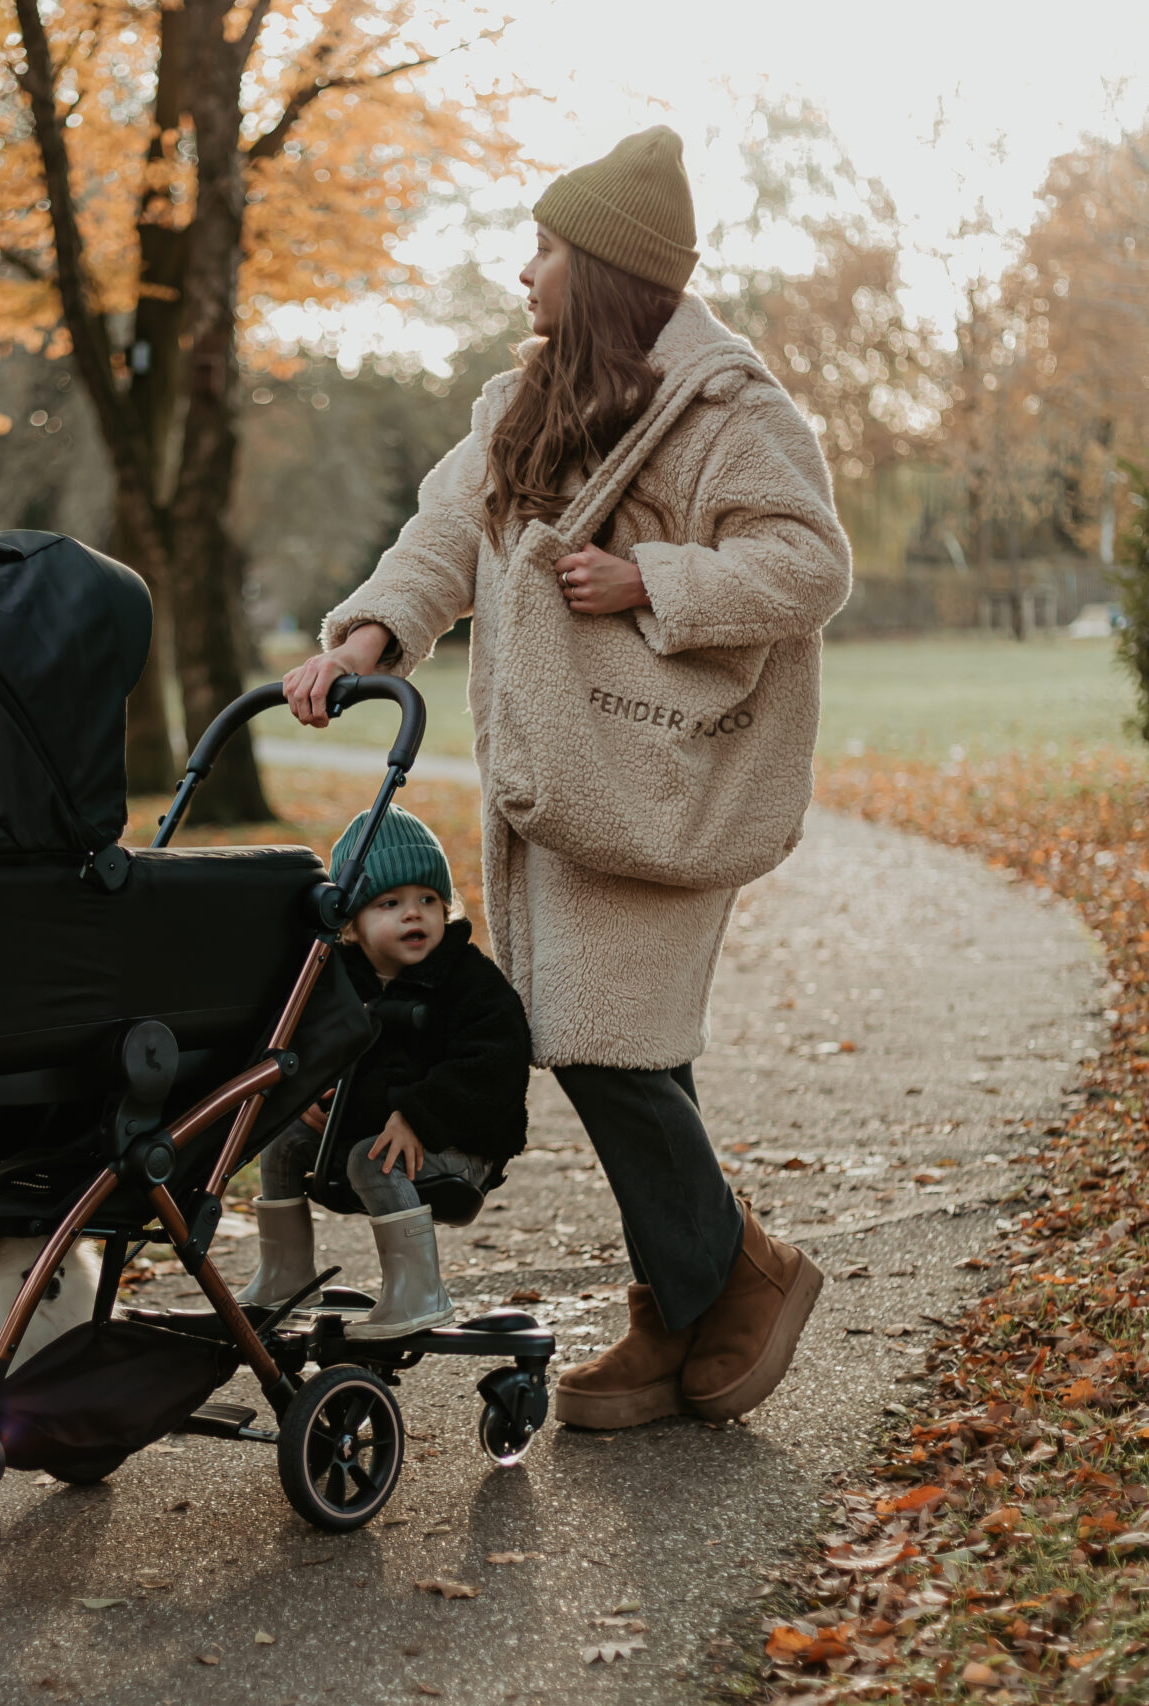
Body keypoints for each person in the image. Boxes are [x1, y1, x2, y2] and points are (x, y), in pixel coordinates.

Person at [282, 126, 852, 1428]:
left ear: (596, 266)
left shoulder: (727, 410)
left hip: (656, 774)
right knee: (619, 1045)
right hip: (558, 779)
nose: (518, 273)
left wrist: (655, 578)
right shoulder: (519, 403)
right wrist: (374, 630)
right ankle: (677, 1312)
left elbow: (805, 563)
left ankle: (741, 1274)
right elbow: (445, 531)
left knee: (602, 1044)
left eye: (540, 248)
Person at [236, 805, 531, 1340]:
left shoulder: (469, 981)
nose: (413, 914)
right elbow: (302, 1036)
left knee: (370, 1160)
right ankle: (286, 1275)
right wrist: (306, 1090)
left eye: (428, 901)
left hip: (458, 1143)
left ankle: (419, 1293)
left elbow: (494, 1065)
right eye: (389, 903)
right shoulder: (338, 980)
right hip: (364, 1128)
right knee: (280, 1143)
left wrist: (420, 1116)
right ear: (351, 924)